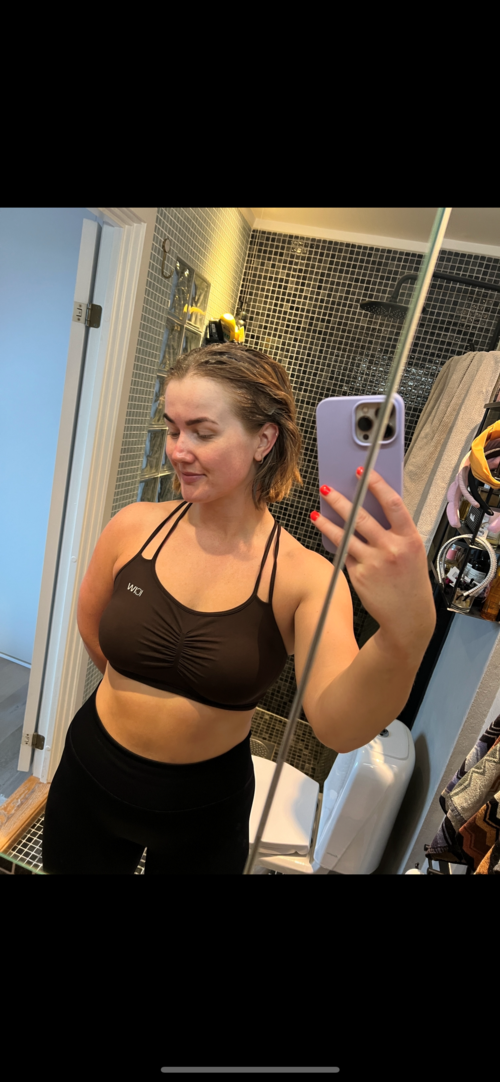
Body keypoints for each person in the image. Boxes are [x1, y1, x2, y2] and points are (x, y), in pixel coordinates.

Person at [41, 343, 436, 875]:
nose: (178, 450)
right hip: (90, 777)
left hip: (204, 812)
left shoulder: (306, 578)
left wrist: (406, 633)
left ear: (263, 440)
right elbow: (92, 628)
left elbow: (338, 728)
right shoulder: (132, 527)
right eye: (173, 429)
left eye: (202, 432)